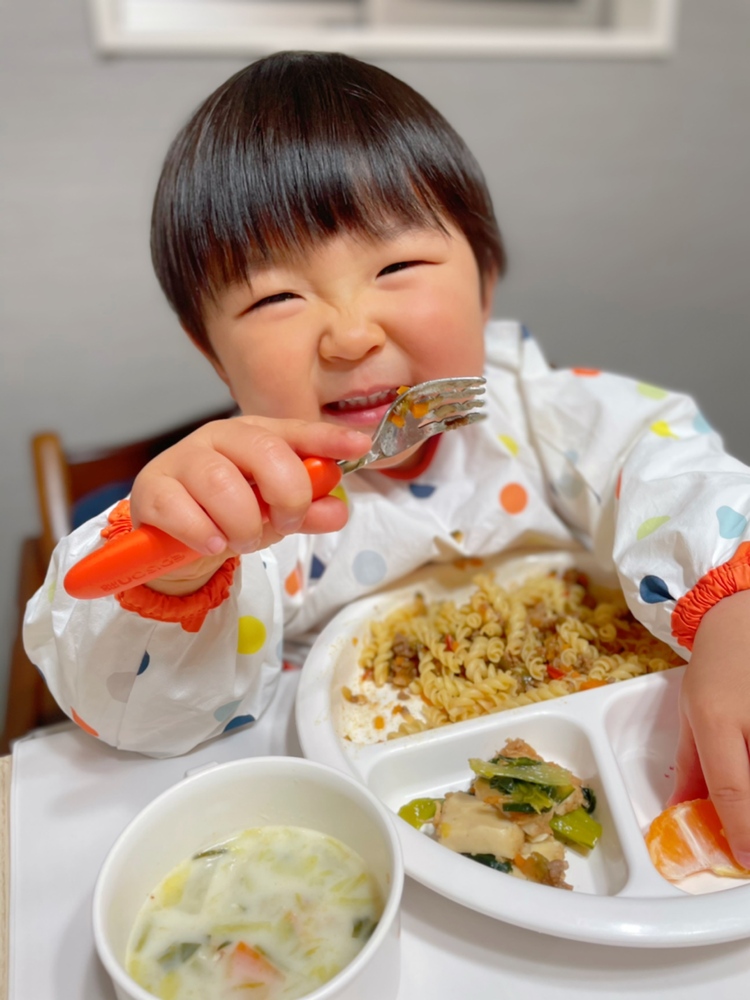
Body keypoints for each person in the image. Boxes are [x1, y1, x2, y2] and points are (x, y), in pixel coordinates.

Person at [24, 51, 750, 867]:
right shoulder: (253, 518)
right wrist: (176, 579)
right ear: (212, 353)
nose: (350, 335)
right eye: (276, 299)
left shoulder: (553, 419)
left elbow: (670, 465)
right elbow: (132, 721)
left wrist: (732, 599)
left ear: (485, 282)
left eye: (398, 266)